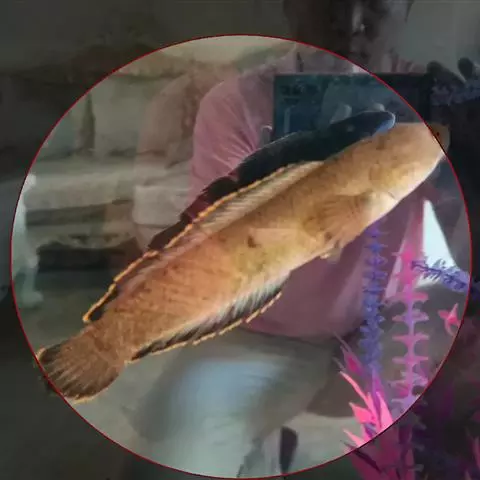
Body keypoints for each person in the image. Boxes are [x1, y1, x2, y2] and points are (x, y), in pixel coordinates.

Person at [125, 0, 471, 477]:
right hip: (262, 329)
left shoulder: (437, 102)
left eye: (374, 3)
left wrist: (468, 165)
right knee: (172, 455)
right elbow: (222, 255)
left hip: (390, 320)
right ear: (292, 7)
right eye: (328, 4)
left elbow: (460, 251)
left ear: (406, 7)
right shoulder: (239, 102)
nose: (351, 23)